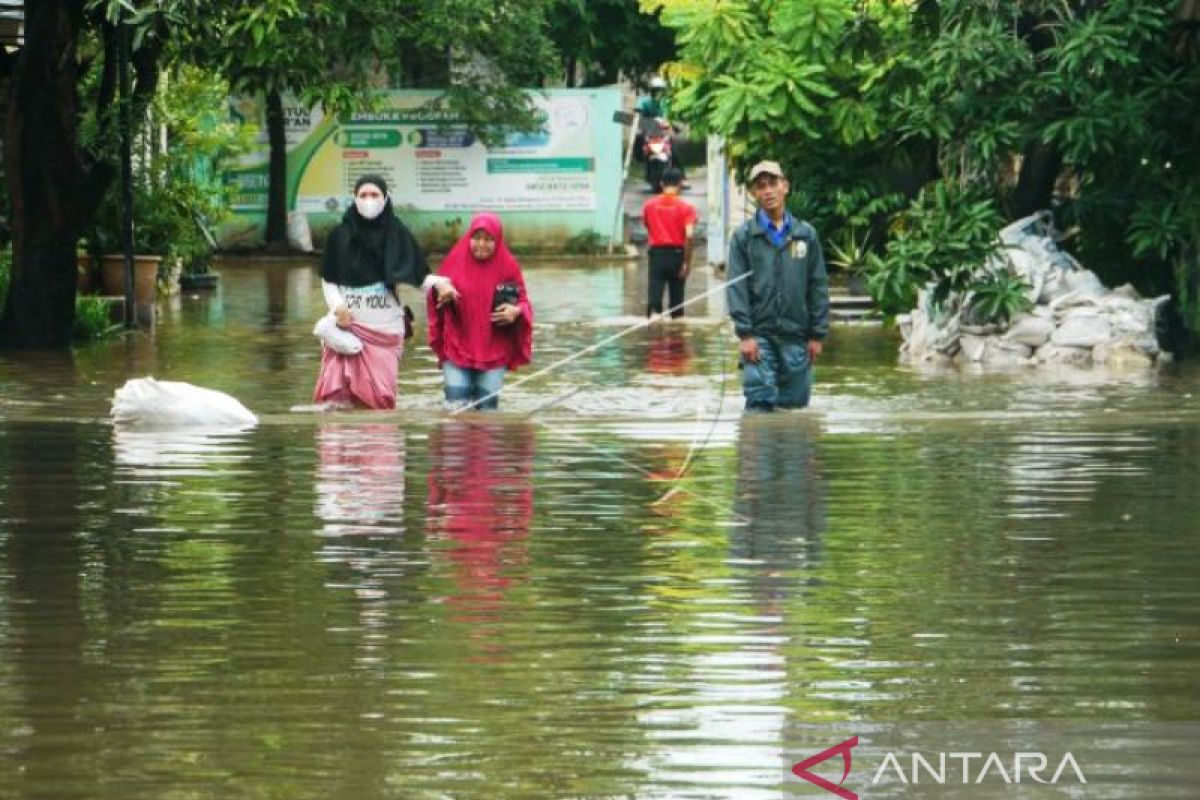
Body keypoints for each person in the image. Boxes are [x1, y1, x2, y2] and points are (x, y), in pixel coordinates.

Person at [312, 173, 455, 410]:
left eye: (375, 195)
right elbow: (329, 279)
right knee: (338, 402)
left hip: (385, 330)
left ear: (385, 198)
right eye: (363, 195)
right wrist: (337, 307)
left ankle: (379, 446)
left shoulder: (398, 234)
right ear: (354, 199)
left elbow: (417, 275)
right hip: (346, 327)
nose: (369, 200)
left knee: (380, 401)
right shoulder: (339, 236)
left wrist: (440, 284)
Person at [726, 160, 830, 412]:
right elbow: (736, 288)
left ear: (785, 186)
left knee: (794, 410)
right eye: (761, 186)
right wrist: (746, 334)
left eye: (773, 184)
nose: (768, 191)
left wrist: (817, 334)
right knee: (759, 405)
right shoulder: (744, 237)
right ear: (753, 193)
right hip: (759, 338)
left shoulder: (805, 235)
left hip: (797, 337)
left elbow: (817, 285)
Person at [427, 213, 533, 410]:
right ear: (469, 238)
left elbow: (524, 302)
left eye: (489, 239)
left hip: (494, 347)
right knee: (455, 406)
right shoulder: (454, 261)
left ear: (498, 240)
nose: (482, 244)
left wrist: (516, 311)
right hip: (457, 344)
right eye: (477, 238)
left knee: (487, 410)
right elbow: (434, 292)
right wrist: (441, 291)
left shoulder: (509, 266)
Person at [642, 167, 697, 318]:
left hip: (657, 255)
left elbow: (648, 226)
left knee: (654, 301)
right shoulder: (687, 208)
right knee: (677, 306)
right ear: (680, 184)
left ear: (661, 184)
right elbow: (690, 236)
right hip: (677, 255)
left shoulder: (649, 206)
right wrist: (686, 262)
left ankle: (653, 333)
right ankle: (677, 338)